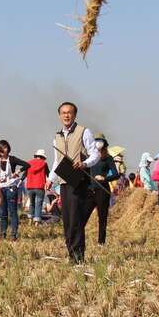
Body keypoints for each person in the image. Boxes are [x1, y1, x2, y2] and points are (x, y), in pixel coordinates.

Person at [45, 102, 100, 264]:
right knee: (67, 219)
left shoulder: (84, 132)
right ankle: (71, 253)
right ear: (59, 115)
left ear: (75, 115)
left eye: (69, 113)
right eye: (63, 113)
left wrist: (84, 164)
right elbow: (56, 161)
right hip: (63, 182)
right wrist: (50, 179)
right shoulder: (57, 136)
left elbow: (94, 154)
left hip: (78, 181)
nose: (66, 115)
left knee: (76, 219)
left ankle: (78, 257)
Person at [84, 133, 119, 245]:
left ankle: (101, 242)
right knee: (83, 216)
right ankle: (79, 239)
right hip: (89, 190)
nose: (98, 143)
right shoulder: (88, 157)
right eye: (96, 141)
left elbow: (116, 174)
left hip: (102, 190)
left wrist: (104, 178)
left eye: (100, 141)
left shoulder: (108, 158)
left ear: (104, 144)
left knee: (102, 218)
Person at [0, 140, 30, 240]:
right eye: (1, 148)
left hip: (11, 188)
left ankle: (14, 234)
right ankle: (2, 233)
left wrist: (18, 172)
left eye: (5, 148)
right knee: (3, 212)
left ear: (8, 149)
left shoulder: (12, 159)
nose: (3, 150)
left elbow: (27, 165)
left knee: (12, 212)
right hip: (0, 188)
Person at [26, 149, 49, 225]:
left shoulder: (29, 163)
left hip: (30, 186)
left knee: (31, 204)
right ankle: (36, 223)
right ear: (43, 157)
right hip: (40, 186)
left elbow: (25, 174)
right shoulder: (44, 164)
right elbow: (48, 174)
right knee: (38, 204)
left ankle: (29, 221)